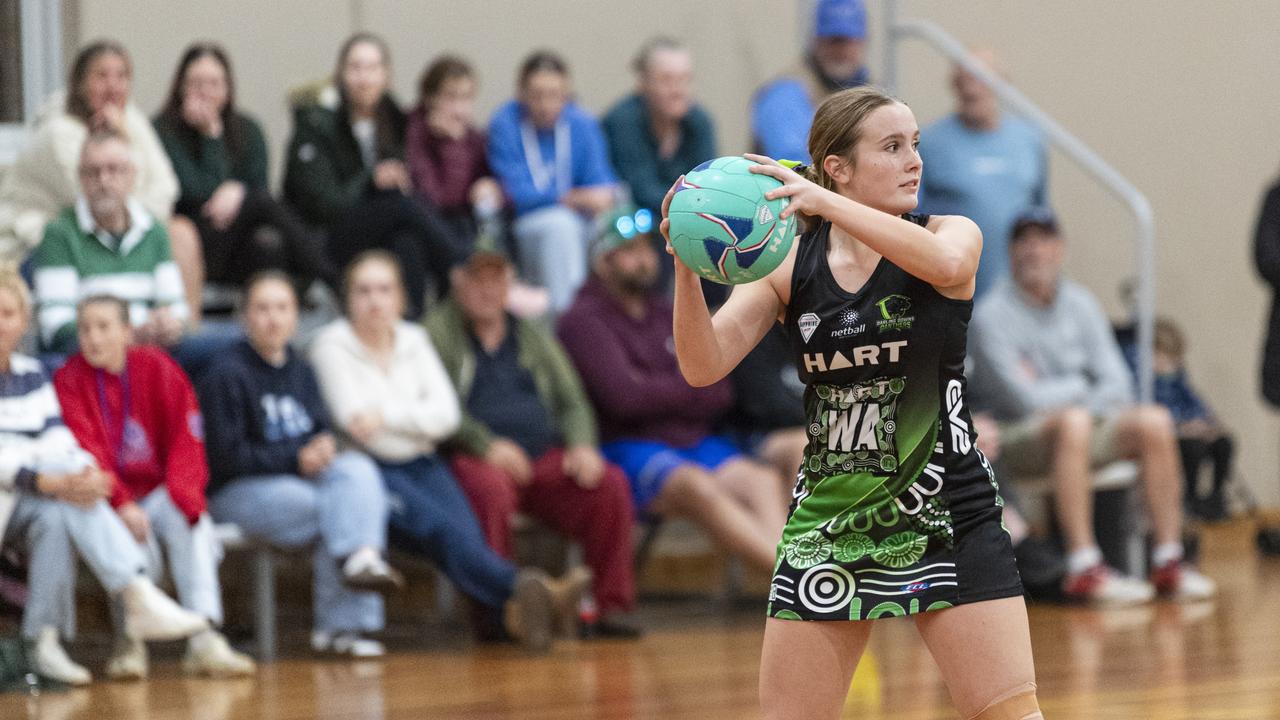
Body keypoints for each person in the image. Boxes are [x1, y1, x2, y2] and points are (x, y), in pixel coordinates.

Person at [663, 87, 1040, 720]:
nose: (914, 160)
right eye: (892, 148)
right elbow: (702, 365)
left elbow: (949, 265)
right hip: (830, 523)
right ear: (837, 166)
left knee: (1009, 713)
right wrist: (685, 263)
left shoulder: (949, 234)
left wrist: (825, 203)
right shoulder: (788, 266)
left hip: (949, 511)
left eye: (915, 144)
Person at [310, 252, 587, 652]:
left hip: (424, 462)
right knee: (440, 530)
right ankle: (533, 592)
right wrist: (409, 418)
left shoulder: (415, 339)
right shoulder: (330, 346)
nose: (374, 300)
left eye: (384, 290)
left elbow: (446, 416)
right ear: (347, 299)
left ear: (401, 298)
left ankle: (523, 614)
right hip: (370, 472)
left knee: (466, 533)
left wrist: (385, 415)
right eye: (363, 291)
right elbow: (360, 427)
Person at [967, 208, 1216, 605]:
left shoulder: (1081, 304)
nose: (1034, 250)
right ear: (1012, 252)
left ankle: (1168, 559)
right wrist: (1083, 387)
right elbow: (1023, 401)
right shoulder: (991, 316)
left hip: (1079, 424)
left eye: (1043, 240)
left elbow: (1118, 383)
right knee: (1075, 422)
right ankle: (1085, 564)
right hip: (1013, 438)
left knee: (1154, 420)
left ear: (1060, 249)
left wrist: (1066, 389)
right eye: (1024, 241)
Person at [0, 268, 208, 685]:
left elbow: (58, 438)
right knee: (62, 495)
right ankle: (135, 592)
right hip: (20, 491)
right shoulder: (64, 376)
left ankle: (43, 641)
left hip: (31, 496)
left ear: (24, 322)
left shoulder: (32, 373)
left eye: (6, 313)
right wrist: (53, 480)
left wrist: (85, 474)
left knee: (59, 513)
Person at [426, 241, 639, 638]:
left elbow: (572, 399)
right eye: (477, 280)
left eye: (497, 280)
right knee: (488, 492)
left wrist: (581, 444)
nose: (488, 290)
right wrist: (484, 444)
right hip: (473, 456)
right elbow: (435, 405)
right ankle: (497, 613)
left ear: (509, 285)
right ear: (458, 283)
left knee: (607, 484)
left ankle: (608, 609)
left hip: (541, 457)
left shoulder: (530, 334)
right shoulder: (436, 333)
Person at [558, 206, 786, 576]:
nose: (644, 260)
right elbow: (624, 399)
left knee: (761, 480)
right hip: (628, 447)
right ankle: (791, 583)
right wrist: (686, 385)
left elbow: (718, 388)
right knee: (696, 486)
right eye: (629, 251)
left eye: (646, 248)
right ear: (603, 262)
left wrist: (657, 386)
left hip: (692, 440)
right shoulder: (582, 321)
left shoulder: (666, 310)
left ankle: (793, 576)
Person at [199, 272, 406, 658]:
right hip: (236, 491)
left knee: (358, 469)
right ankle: (342, 628)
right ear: (244, 318)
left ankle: (362, 561)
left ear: (296, 318)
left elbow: (318, 426)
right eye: (262, 309)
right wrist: (295, 458)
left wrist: (324, 444)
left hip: (297, 480)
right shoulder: (225, 373)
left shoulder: (301, 368)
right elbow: (223, 459)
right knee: (338, 510)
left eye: (282, 308)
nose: (273, 319)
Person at [53, 294, 254, 679]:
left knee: (193, 522)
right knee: (125, 536)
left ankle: (204, 636)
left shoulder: (157, 367)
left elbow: (187, 436)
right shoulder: (69, 379)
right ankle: (131, 642)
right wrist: (123, 503)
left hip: (160, 491)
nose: (92, 338)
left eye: (103, 327)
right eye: (85, 329)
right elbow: (85, 450)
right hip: (110, 497)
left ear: (128, 332)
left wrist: (186, 496)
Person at [0, 40, 203, 319]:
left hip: (104, 233)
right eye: (102, 76)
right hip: (37, 246)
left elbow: (167, 188)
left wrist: (124, 135)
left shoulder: (130, 119)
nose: (113, 86)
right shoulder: (57, 131)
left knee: (181, 233)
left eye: (122, 76)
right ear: (79, 83)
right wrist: (126, 144)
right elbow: (102, 203)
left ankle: (180, 332)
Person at [31, 129, 239, 378]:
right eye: (94, 172)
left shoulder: (154, 230)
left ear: (131, 175)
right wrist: (125, 335)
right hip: (92, 351)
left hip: (156, 346)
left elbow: (176, 307)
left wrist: (170, 325)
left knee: (238, 343)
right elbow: (56, 328)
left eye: (114, 169)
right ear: (81, 178)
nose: (104, 180)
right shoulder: (59, 233)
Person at [284, 33, 459, 319]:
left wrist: (444, 141)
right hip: (327, 240)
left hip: (384, 232)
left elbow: (430, 191)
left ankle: (410, 328)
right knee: (396, 202)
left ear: (386, 76)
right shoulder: (316, 122)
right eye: (355, 67)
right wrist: (370, 179)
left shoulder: (396, 118)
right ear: (340, 74)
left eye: (373, 68)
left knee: (407, 241)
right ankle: (459, 264)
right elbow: (323, 205)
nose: (364, 78)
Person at [155, 43, 334, 293]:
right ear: (180, 88)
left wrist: (239, 193)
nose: (205, 92)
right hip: (192, 241)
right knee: (259, 200)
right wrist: (211, 137)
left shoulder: (248, 129)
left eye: (214, 83)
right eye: (196, 83)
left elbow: (260, 186)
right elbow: (195, 193)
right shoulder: (162, 132)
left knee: (267, 244)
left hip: (239, 242)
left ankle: (280, 309)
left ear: (228, 90)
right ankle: (331, 278)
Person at [488, 50, 617, 313]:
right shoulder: (505, 124)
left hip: (583, 220)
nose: (546, 105)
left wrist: (596, 199)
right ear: (521, 94)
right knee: (561, 226)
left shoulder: (582, 122)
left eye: (555, 95)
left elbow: (601, 185)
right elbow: (516, 192)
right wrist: (568, 198)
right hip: (531, 222)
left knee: (624, 228)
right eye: (537, 96)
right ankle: (570, 321)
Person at [917, 49, 1048, 297]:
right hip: (950, 288)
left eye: (980, 79)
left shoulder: (1029, 140)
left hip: (1015, 296)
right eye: (964, 80)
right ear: (954, 86)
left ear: (1002, 84)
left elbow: (1041, 216)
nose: (972, 90)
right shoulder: (929, 143)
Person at [603, 37, 717, 297]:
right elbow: (641, 189)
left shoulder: (699, 122)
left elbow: (709, 182)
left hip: (683, 213)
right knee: (665, 233)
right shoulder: (623, 121)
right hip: (635, 217)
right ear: (643, 82)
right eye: (666, 80)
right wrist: (692, 208)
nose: (678, 90)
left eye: (685, 79)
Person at [750, 0, 870, 164]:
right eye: (834, 40)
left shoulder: (869, 88)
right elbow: (795, 165)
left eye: (849, 40)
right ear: (816, 41)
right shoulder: (786, 91)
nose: (842, 50)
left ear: (863, 42)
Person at [405, 55, 504, 252]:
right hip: (429, 229)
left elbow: (504, 190)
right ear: (430, 98)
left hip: (466, 224)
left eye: (466, 98)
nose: (459, 109)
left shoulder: (474, 136)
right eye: (451, 97)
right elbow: (439, 200)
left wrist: (492, 188)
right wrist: (450, 144)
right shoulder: (413, 132)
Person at [1149, 320, 1235, 521]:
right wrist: (1182, 425)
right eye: (1165, 357)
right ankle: (1190, 499)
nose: (1172, 364)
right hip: (1170, 432)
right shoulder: (1146, 380)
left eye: (1175, 358)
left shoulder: (1177, 375)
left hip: (1190, 427)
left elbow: (1193, 400)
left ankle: (1215, 498)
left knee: (1224, 442)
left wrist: (1208, 420)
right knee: (1193, 447)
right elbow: (1154, 411)